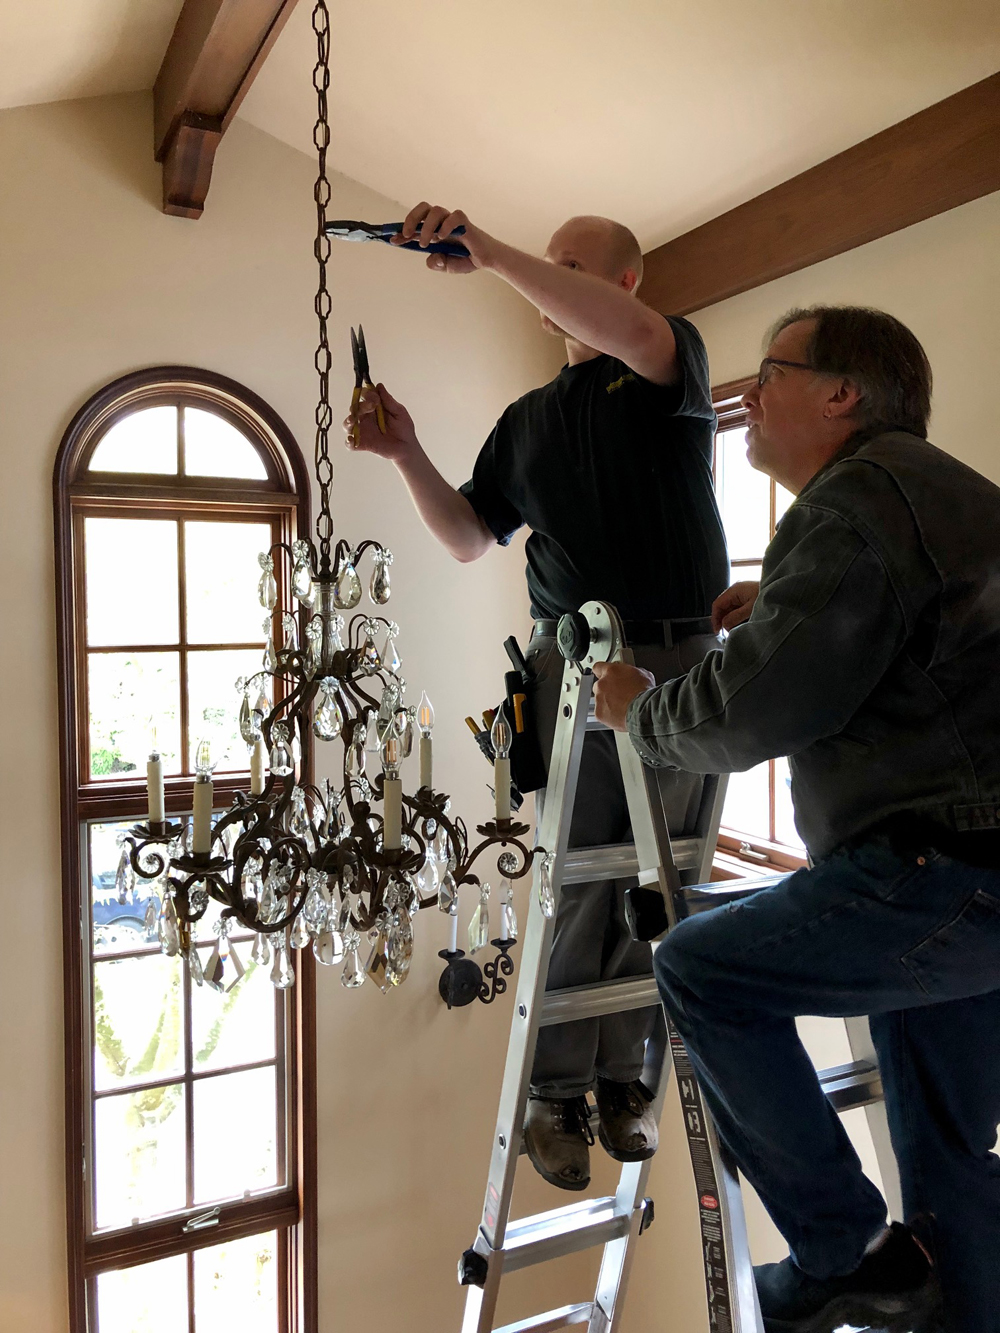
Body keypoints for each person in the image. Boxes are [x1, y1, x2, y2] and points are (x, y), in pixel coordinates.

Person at [593, 304, 1000, 1333]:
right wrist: (779, 596)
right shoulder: (938, 494)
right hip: (978, 891)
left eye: (767, 372)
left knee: (700, 967)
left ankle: (842, 1254)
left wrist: (642, 711)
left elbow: (751, 712)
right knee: (946, 1159)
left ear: (840, 395)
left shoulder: (854, 500)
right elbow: (916, 646)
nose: (744, 393)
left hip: (941, 874)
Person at [345, 202, 728, 1192]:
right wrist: (404, 454)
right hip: (574, 667)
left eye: (574, 267)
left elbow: (630, 334)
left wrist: (494, 254)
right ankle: (556, 1092)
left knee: (656, 886)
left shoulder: (664, 360)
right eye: (548, 264)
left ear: (625, 282)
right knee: (580, 879)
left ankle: (624, 1077)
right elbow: (473, 536)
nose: (550, 277)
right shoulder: (526, 423)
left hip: (683, 660)